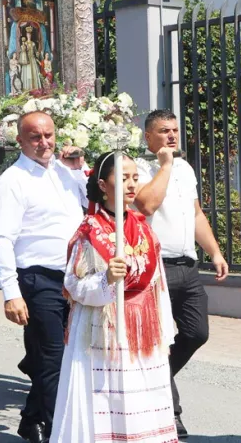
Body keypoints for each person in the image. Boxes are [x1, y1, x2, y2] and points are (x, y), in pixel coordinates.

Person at [51, 152, 177, 442]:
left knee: (143, 402)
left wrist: (164, 331)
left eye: (135, 178)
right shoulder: (90, 231)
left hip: (143, 328)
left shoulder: (145, 228)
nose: (132, 185)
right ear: (103, 186)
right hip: (102, 331)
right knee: (107, 401)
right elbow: (74, 286)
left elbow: (158, 286)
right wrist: (106, 278)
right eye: (122, 179)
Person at [0, 111, 86, 443]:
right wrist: (10, 292)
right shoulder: (12, 181)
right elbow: (1, 239)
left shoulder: (65, 173)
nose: (44, 143)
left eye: (48, 135)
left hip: (73, 279)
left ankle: (32, 421)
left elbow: (95, 203)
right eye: (35, 137)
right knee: (53, 362)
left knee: (65, 357)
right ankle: (62, 434)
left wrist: (79, 166)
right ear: (20, 141)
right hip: (38, 280)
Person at [133, 109, 230, 439]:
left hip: (187, 268)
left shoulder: (186, 169)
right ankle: (170, 414)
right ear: (148, 137)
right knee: (158, 342)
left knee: (196, 332)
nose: (172, 136)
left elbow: (196, 214)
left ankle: (151, 380)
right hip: (155, 269)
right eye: (164, 131)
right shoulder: (139, 169)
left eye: (175, 130)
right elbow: (146, 205)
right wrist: (165, 166)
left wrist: (214, 252)